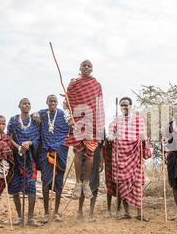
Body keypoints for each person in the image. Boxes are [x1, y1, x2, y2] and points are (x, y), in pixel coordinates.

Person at [104, 97, 152, 221]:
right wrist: (112, 136)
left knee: (136, 184)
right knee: (122, 184)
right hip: (119, 156)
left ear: (131, 106)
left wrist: (142, 140)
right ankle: (125, 212)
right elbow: (110, 135)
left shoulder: (138, 119)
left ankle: (140, 213)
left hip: (134, 157)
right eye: (122, 105)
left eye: (126, 105)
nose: (124, 107)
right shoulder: (116, 120)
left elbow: (143, 135)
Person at [64, 60, 105, 200]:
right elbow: (66, 103)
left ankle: (86, 184)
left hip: (92, 123)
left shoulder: (97, 85)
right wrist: (69, 119)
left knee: (90, 154)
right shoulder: (74, 83)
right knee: (78, 151)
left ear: (92, 69)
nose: (86, 67)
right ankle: (77, 184)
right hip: (77, 122)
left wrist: (99, 125)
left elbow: (99, 105)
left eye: (89, 66)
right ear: (80, 68)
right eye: (84, 65)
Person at [33, 94, 69, 223]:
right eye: (51, 101)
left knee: (58, 182)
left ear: (57, 103)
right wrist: (34, 114)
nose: (53, 103)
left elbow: (67, 134)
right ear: (47, 102)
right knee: (46, 181)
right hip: (45, 152)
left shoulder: (63, 115)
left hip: (59, 153)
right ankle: (47, 213)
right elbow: (34, 115)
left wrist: (57, 147)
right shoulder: (42, 114)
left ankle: (57, 212)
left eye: (55, 101)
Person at [7, 98, 41, 227]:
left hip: (29, 159)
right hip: (16, 159)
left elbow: (37, 138)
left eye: (28, 104)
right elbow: (9, 138)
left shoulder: (34, 121)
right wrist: (18, 147)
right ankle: (20, 217)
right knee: (15, 186)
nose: (26, 105)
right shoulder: (14, 120)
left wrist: (29, 143)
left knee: (31, 185)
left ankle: (31, 218)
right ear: (19, 106)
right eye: (24, 103)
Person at [76, 142, 104, 222]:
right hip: (84, 159)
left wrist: (101, 161)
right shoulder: (82, 129)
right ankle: (80, 211)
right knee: (82, 183)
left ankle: (91, 213)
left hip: (95, 159)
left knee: (95, 185)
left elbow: (101, 146)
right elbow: (76, 145)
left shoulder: (100, 129)